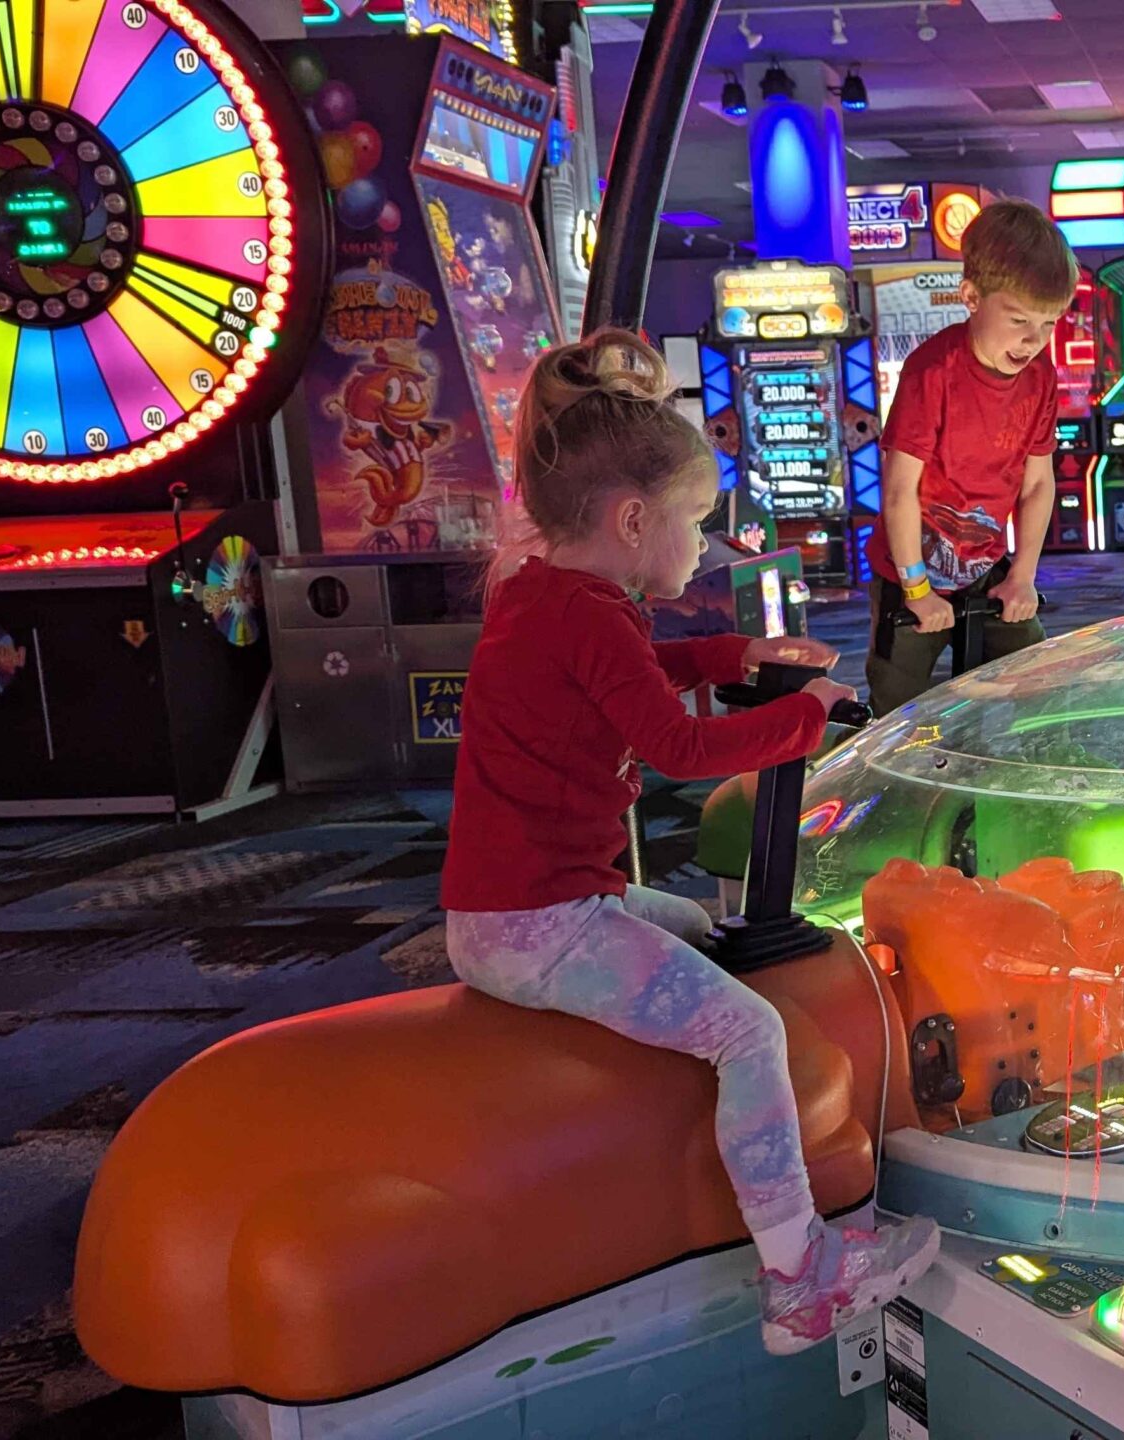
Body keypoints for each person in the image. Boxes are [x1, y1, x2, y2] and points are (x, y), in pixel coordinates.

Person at [439, 329, 938, 1357]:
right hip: (543, 925)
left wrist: (736, 652)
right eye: (694, 526)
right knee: (746, 1029)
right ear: (631, 519)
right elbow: (675, 744)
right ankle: (800, 1278)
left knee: (695, 926)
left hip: (513, 909)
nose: (703, 548)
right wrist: (808, 715)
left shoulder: (548, 596)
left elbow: (634, 667)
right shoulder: (591, 617)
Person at [868, 196, 1079, 711]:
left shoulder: (1040, 378)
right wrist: (918, 589)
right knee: (899, 701)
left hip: (984, 565)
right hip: (908, 569)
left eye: (1050, 324)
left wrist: (1023, 575)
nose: (1034, 340)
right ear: (971, 297)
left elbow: (1037, 483)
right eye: (1020, 320)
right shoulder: (931, 372)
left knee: (1036, 679)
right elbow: (899, 492)